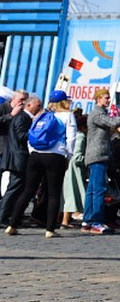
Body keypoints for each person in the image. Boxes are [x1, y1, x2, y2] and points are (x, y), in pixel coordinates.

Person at [5, 90, 76, 237]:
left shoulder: (42, 114)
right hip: (55, 156)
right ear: (65, 101)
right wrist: (67, 156)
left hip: (36, 156)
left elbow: (31, 135)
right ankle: (50, 229)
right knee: (53, 193)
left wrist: (33, 152)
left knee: (28, 190)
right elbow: (71, 138)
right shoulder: (68, 115)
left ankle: (12, 225)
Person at [83, 89, 120, 234]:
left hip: (95, 155)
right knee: (99, 190)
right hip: (98, 155)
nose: (108, 100)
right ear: (98, 99)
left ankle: (87, 220)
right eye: (106, 98)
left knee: (92, 190)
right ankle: (96, 221)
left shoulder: (97, 113)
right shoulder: (98, 113)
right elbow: (115, 122)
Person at [0, 94, 39, 227]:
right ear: (29, 105)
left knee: (18, 188)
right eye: (37, 105)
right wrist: (37, 132)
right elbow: (21, 136)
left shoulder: (25, 117)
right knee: (14, 188)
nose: (39, 108)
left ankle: (7, 215)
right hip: (17, 158)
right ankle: (2, 216)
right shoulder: (23, 117)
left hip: (20, 158)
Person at [60, 109, 88, 228]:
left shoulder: (75, 135)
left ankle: (63, 220)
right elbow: (77, 156)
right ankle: (65, 221)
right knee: (71, 194)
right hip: (74, 170)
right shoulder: (80, 136)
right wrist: (88, 160)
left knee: (68, 195)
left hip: (70, 167)